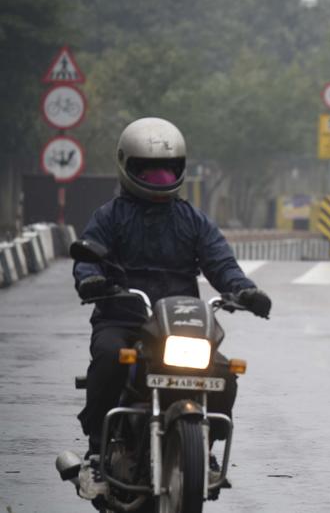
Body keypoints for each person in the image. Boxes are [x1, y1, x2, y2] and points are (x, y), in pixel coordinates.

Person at [72, 117, 272, 496]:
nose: (159, 177)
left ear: (180, 168)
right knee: (110, 357)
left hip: (180, 323)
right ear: (127, 166)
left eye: (166, 169)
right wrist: (91, 279)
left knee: (224, 373)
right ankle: (96, 454)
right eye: (148, 169)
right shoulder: (109, 217)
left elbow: (221, 263)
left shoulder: (193, 221)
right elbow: (88, 257)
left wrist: (244, 291)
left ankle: (204, 448)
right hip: (123, 317)